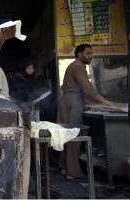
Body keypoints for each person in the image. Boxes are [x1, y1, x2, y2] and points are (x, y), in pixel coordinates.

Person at [57, 43, 126, 180]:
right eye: (88, 53)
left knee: (65, 136)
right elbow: (88, 89)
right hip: (72, 103)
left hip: (67, 101)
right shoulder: (78, 67)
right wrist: (111, 103)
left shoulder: (73, 66)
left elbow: (79, 90)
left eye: (91, 54)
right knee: (74, 136)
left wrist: (91, 102)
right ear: (79, 54)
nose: (91, 56)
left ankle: (65, 168)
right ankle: (73, 172)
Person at [10, 58, 52, 123]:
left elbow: (46, 93)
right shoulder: (18, 80)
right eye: (28, 68)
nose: (30, 70)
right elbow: (13, 95)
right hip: (23, 109)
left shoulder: (40, 79)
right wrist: (20, 103)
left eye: (32, 68)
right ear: (24, 68)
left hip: (38, 110)